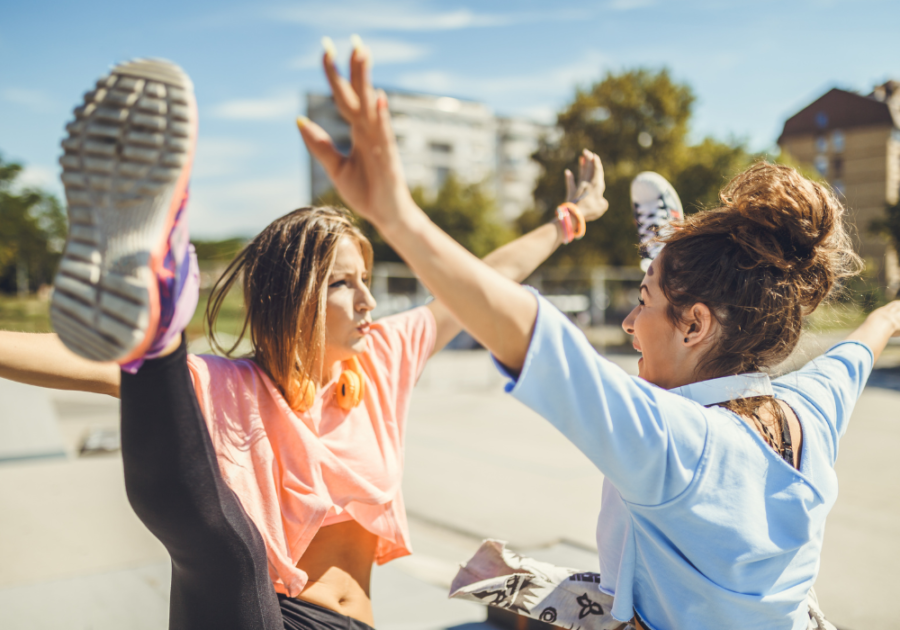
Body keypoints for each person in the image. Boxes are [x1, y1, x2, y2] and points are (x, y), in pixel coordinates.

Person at [296, 44, 900, 629]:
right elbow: (868, 337)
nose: (629, 325)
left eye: (643, 304)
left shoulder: (677, 448)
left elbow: (532, 336)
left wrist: (398, 215)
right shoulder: (809, 408)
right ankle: (667, 257)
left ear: (695, 324)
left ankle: (667, 256)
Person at [0, 52, 609, 630]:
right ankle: (154, 324)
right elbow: (79, 359)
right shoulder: (230, 385)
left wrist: (568, 220)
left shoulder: (383, 359)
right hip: (259, 612)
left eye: (366, 280)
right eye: (343, 284)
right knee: (223, 544)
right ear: (293, 298)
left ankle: (155, 323)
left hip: (350, 621)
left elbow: (485, 281)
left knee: (223, 543)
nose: (368, 300)